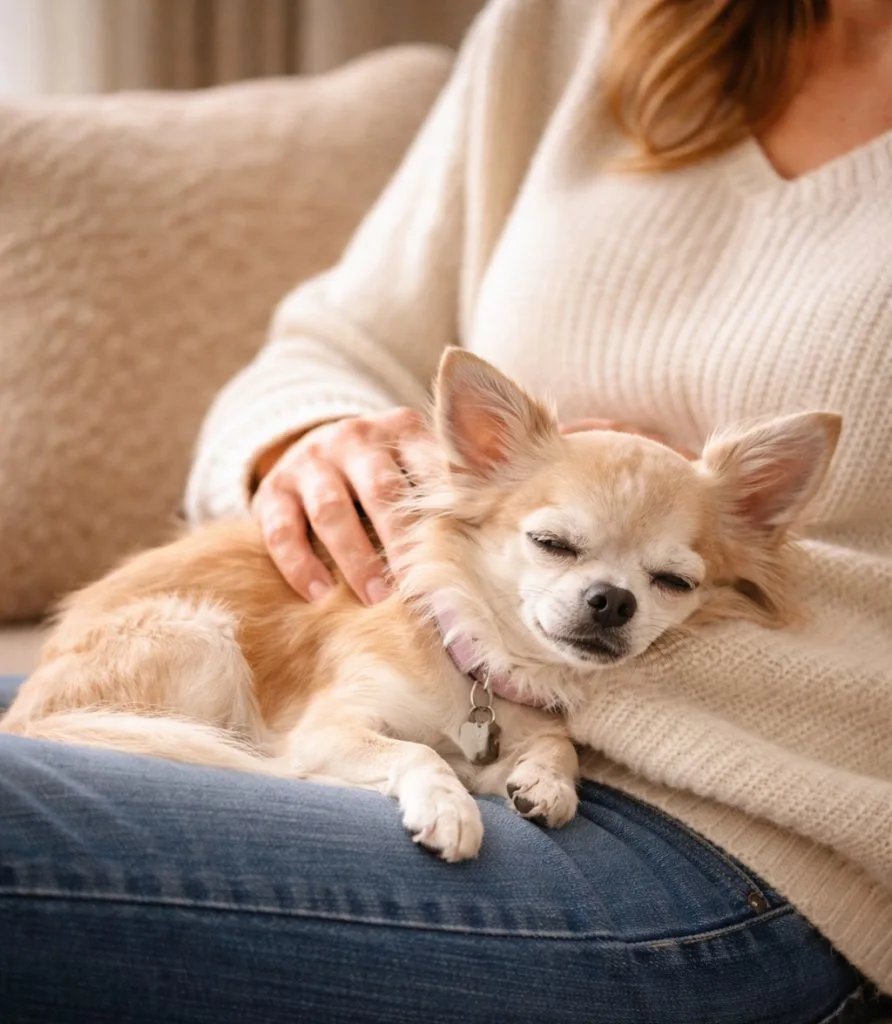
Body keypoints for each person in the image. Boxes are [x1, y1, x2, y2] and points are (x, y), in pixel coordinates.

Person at [2, 0, 891, 1020]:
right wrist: (311, 442)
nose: (610, 595)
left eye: (668, 577)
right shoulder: (561, 28)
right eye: (556, 543)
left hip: (743, 836)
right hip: (449, 686)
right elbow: (335, 339)